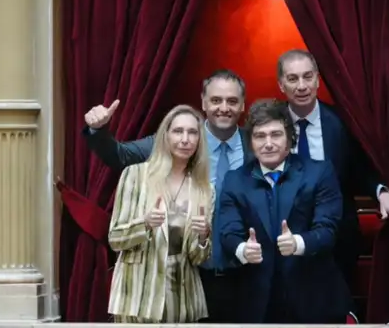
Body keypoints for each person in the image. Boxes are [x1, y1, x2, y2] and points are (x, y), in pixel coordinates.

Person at [84, 69, 252, 322]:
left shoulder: (258, 144)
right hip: (183, 278)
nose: (224, 108)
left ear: (242, 105)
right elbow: (119, 155)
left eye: (232, 101)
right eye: (216, 100)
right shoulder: (173, 139)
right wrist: (98, 130)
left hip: (242, 274)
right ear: (204, 102)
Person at [276, 49, 389, 301]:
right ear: (281, 85)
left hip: (337, 239)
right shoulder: (270, 125)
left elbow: (359, 169)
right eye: (292, 78)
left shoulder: (343, 121)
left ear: (318, 79)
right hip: (284, 239)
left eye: (307, 76)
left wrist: (382, 192)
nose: (302, 86)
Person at [216, 99, 352, 324]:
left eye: (276, 135)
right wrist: (242, 249)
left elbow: (328, 229)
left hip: (313, 299)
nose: (268, 143)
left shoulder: (319, 172)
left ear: (290, 138)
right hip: (256, 302)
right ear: (251, 142)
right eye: (260, 136)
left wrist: (298, 243)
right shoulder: (235, 180)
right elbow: (229, 230)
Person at [107, 105, 213, 323]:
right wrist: (144, 223)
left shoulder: (204, 189)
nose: (185, 139)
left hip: (182, 299)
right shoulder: (135, 175)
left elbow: (198, 258)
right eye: (178, 131)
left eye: (192, 133)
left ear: (199, 140)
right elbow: (115, 239)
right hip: (137, 296)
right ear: (165, 135)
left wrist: (203, 237)